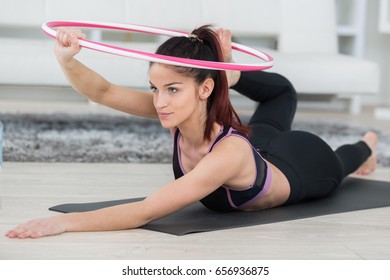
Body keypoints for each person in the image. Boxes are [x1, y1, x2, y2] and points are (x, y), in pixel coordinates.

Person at [6, 25, 377, 239]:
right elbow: (102, 92)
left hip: (301, 161)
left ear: (203, 90)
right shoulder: (176, 113)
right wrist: (65, 59)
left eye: (172, 89)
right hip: (256, 144)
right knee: (272, 108)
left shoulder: (228, 154)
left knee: (343, 159)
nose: (160, 101)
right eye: (155, 88)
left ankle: (369, 143)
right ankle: (226, 73)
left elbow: (145, 211)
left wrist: (62, 223)